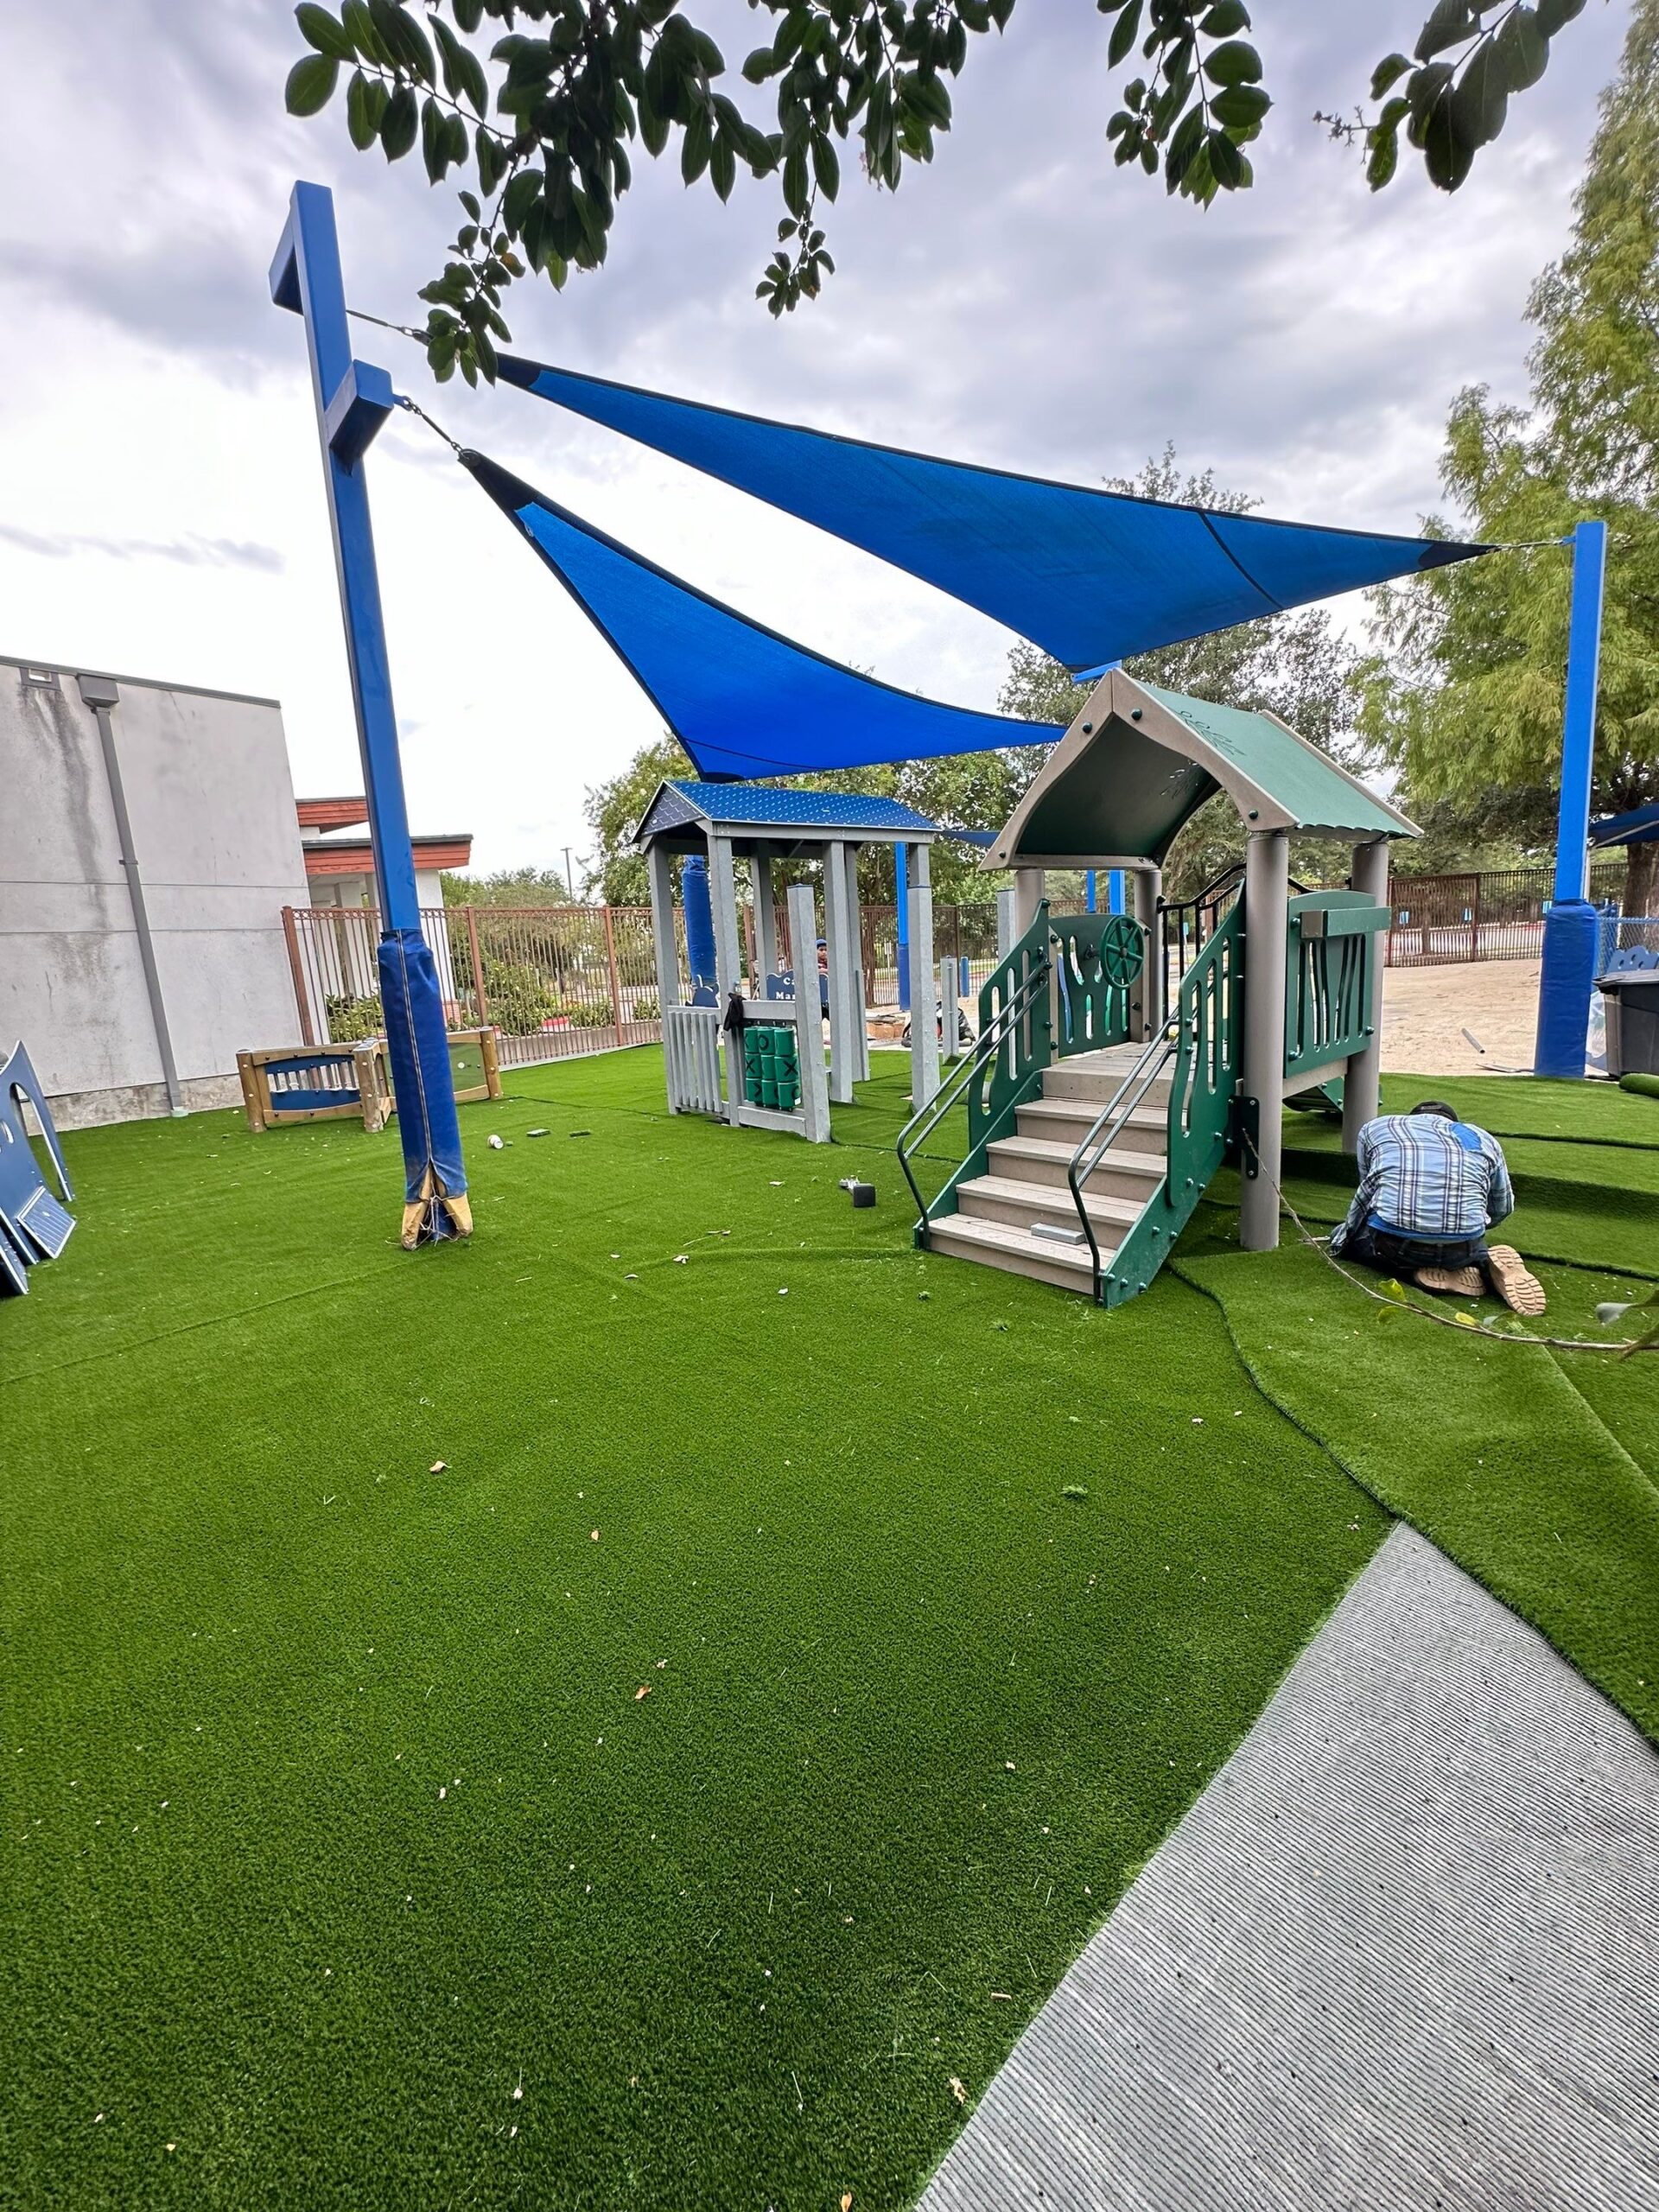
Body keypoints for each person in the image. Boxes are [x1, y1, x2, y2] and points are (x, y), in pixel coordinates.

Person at [1330, 1099, 1547, 1315]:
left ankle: (1412, 1271)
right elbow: (1503, 1207)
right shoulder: (1482, 1139)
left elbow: (1367, 1189)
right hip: (1463, 1247)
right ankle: (1480, 1261)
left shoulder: (1378, 1127)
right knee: (1470, 1243)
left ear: (1411, 1118)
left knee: (1359, 1243)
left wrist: (1343, 1238)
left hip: (1397, 1247)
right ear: (1453, 1122)